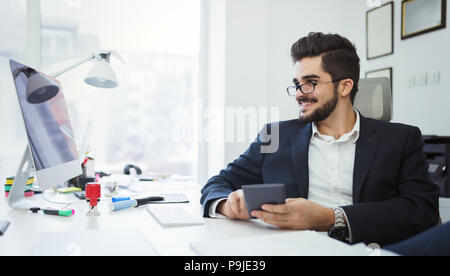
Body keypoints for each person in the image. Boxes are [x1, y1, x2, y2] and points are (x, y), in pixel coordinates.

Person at [200, 32, 440, 247]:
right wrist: (226, 204)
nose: (298, 95)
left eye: (310, 84)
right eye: (297, 85)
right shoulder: (275, 136)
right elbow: (217, 184)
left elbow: (422, 210)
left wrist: (331, 217)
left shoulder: (400, 139)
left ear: (345, 86)